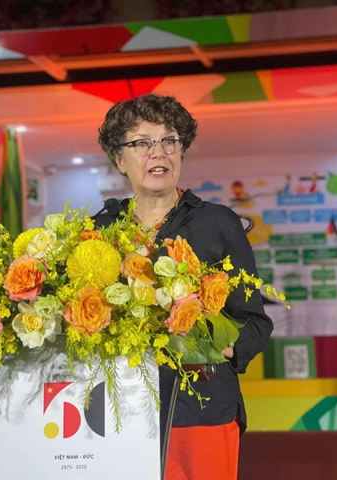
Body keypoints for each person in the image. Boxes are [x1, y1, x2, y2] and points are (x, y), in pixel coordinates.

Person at [95, 94, 274, 480]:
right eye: (142, 143)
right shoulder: (99, 231)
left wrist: (212, 339)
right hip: (119, 412)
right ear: (119, 160)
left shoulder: (219, 224)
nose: (158, 152)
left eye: (169, 140)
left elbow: (256, 324)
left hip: (201, 412)